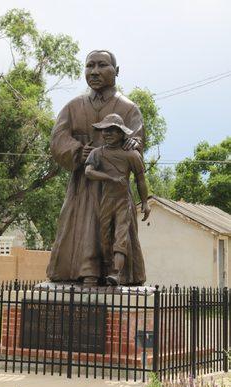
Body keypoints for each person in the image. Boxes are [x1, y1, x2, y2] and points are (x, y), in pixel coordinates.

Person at [46, 50, 148, 287]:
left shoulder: (129, 108)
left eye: (102, 65)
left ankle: (118, 273)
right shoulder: (73, 106)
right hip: (83, 184)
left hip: (115, 188)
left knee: (118, 232)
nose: (94, 71)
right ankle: (83, 271)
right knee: (83, 227)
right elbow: (57, 138)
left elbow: (137, 139)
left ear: (116, 71)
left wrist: (134, 143)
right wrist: (75, 150)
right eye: (89, 66)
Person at [85, 114, 150, 285]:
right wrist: (109, 178)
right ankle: (109, 270)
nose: (107, 133)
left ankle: (117, 273)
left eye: (112, 130)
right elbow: (89, 172)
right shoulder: (97, 153)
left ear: (122, 133)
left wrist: (145, 202)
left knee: (121, 236)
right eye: (105, 130)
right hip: (106, 199)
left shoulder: (131, 155)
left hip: (124, 200)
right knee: (105, 237)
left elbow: (140, 179)